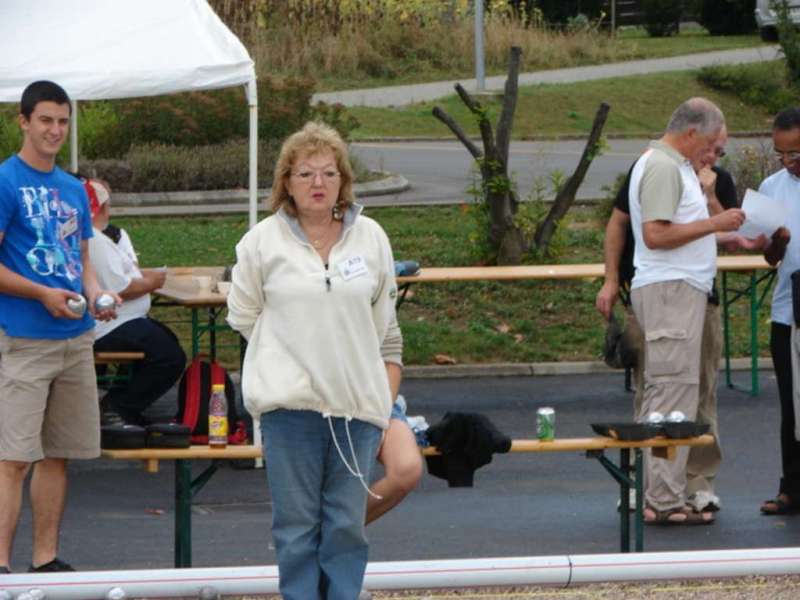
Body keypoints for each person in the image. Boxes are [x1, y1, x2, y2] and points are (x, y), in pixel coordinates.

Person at [227, 121, 404, 599]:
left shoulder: (371, 238)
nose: (318, 184)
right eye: (306, 174)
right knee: (297, 529)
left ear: (344, 181)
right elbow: (243, 315)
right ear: (286, 181)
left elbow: (382, 323)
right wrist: (289, 353)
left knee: (346, 527)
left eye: (329, 173)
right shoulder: (261, 242)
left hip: (356, 409)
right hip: (290, 410)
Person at [0, 81, 118, 574]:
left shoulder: (73, 188)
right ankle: (1, 566)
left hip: (75, 338)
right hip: (24, 339)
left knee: (59, 455)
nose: (54, 130)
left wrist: (94, 295)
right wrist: (41, 294)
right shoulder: (6, 180)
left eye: (62, 121)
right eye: (45, 119)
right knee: (13, 458)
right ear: (23, 121)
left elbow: (82, 262)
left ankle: (44, 559)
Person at [595, 149, 743, 514]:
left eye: (720, 151)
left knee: (701, 389)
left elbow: (728, 230)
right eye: (710, 147)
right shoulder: (652, 168)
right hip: (653, 292)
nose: (713, 156)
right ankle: (643, 481)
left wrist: (709, 195)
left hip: (700, 297)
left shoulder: (718, 179)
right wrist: (611, 278)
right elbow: (619, 223)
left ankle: (698, 483)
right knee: (654, 388)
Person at [626, 97, 748, 525]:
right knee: (671, 393)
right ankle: (662, 498)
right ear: (692, 132)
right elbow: (657, 234)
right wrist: (716, 224)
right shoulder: (662, 165)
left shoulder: (674, 165)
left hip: (680, 288)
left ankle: (663, 494)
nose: (714, 156)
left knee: (676, 390)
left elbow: (679, 230)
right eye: (713, 146)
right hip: (669, 290)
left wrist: (726, 232)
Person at [86, 178, 186, 426]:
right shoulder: (95, 240)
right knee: (170, 357)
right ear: (102, 207)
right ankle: (118, 407)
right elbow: (122, 287)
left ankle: (122, 405)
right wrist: (154, 282)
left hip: (119, 320)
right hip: (110, 324)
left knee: (167, 345)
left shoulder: (99, 237)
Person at [758, 107, 800, 516]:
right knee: (792, 405)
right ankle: (791, 487)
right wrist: (778, 243)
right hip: (790, 312)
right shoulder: (772, 187)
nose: (789, 163)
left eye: (797, 154)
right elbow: (769, 257)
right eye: (781, 154)